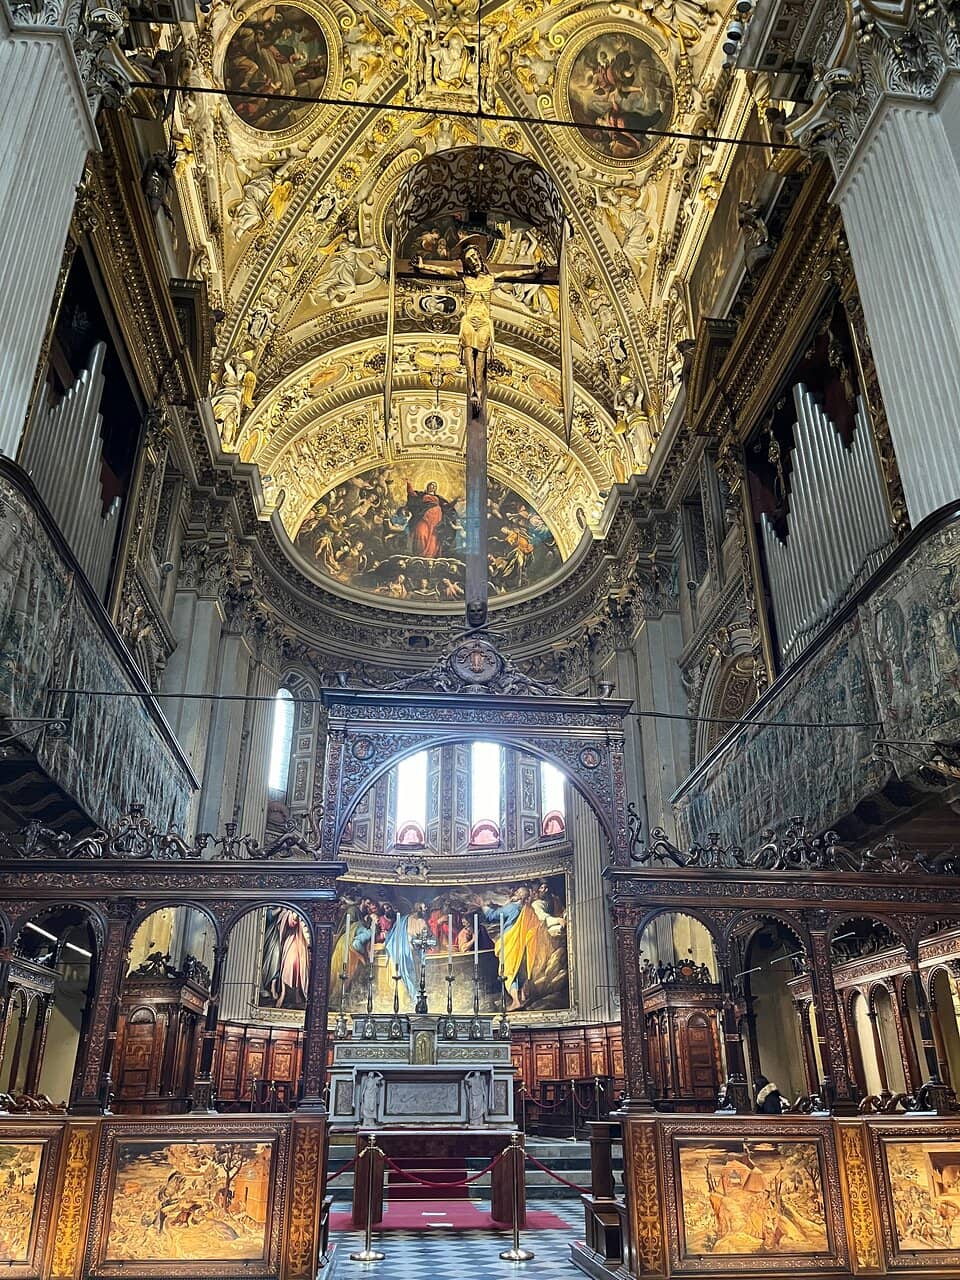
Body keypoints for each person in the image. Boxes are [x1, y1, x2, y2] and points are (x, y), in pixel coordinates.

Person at [414, 239, 545, 413]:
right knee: (469, 358)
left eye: (475, 257)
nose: (474, 261)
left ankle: (480, 392)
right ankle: (472, 392)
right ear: (466, 264)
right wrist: (423, 266)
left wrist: (534, 271)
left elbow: (513, 274)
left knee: (481, 359)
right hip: (469, 321)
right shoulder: (465, 279)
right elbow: (444, 270)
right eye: (469, 260)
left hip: (484, 322)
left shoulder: (490, 278)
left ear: (480, 258)